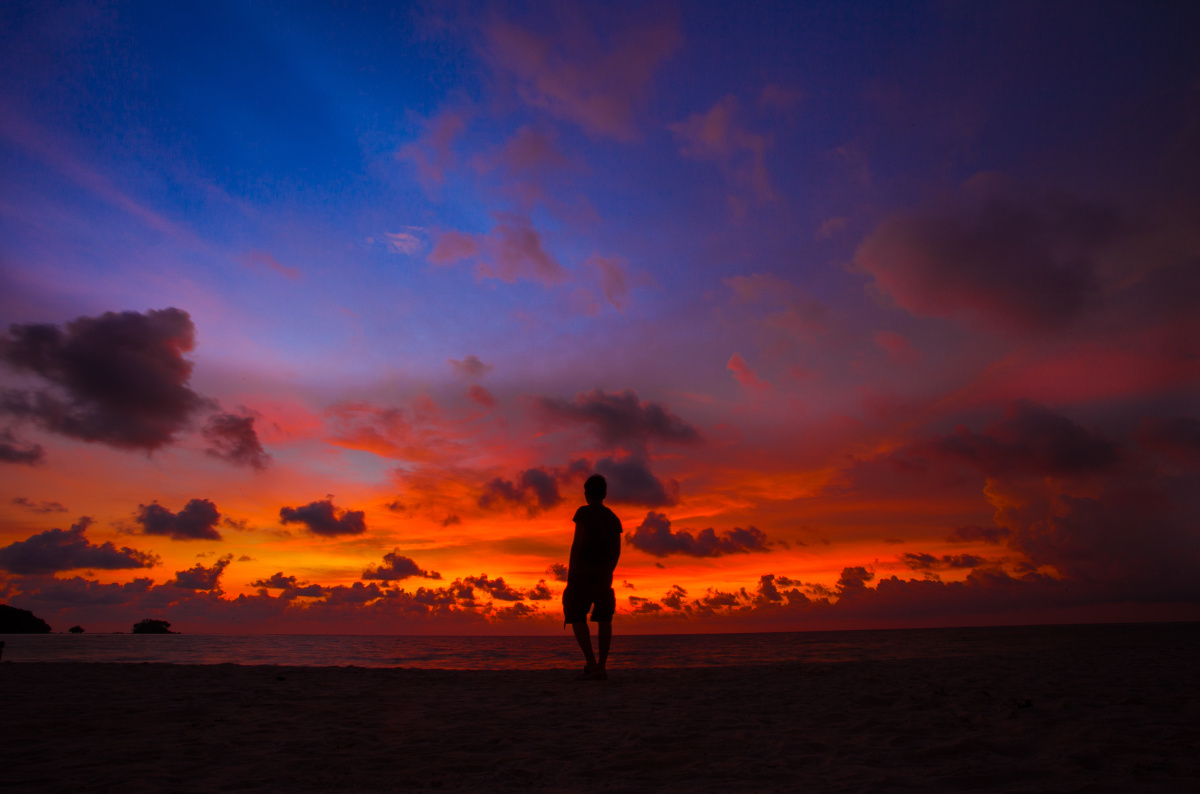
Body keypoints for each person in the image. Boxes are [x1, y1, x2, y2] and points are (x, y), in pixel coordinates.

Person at [562, 474, 622, 680]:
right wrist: (609, 571)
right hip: (604, 574)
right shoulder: (613, 518)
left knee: (576, 616)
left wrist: (570, 576)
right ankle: (601, 666)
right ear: (604, 494)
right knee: (604, 618)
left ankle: (591, 663)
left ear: (587, 494)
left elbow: (577, 544)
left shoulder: (583, 513)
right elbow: (617, 550)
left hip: (582, 573)